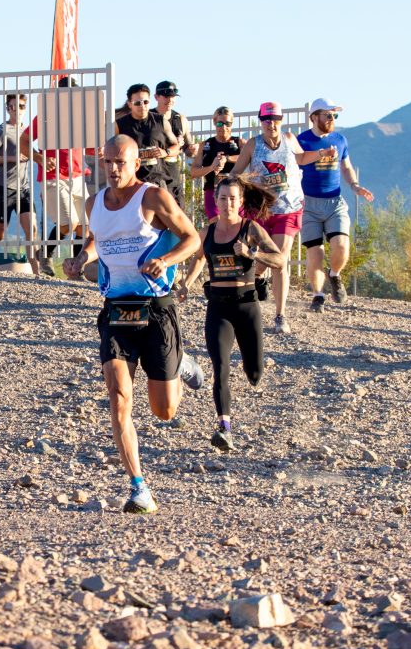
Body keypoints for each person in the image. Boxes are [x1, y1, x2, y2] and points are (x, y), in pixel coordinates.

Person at [63, 135, 204, 515]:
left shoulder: (153, 197)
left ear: (136, 163)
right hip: (116, 311)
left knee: (164, 411)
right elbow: (98, 239)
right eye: (107, 161)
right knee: (118, 397)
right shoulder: (94, 203)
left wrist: (167, 259)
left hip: (156, 309)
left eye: (120, 162)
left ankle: (181, 363)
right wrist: (80, 259)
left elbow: (192, 239)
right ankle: (138, 487)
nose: (113, 169)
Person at [178, 176, 285, 451]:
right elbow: (199, 256)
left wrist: (251, 253)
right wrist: (187, 284)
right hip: (219, 307)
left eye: (233, 198)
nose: (228, 203)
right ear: (217, 201)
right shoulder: (208, 232)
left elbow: (280, 259)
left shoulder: (251, 229)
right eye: (223, 198)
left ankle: (253, 372)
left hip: (247, 305)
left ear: (241, 202)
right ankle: (224, 427)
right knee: (220, 367)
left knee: (254, 371)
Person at [230, 101, 330, 334]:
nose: (270, 124)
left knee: (279, 258)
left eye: (275, 119)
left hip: (289, 208)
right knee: (260, 261)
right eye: (266, 120)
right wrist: (233, 183)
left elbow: (301, 158)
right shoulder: (253, 145)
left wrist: (321, 153)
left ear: (280, 120)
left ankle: (280, 315)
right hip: (261, 209)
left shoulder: (289, 139)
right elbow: (237, 172)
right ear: (260, 121)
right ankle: (257, 283)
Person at [296, 98, 375, 311]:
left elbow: (346, 167)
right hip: (309, 204)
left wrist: (356, 186)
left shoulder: (340, 140)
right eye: (328, 115)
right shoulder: (301, 140)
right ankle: (318, 295)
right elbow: (298, 161)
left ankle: (335, 275)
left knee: (341, 245)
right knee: (315, 252)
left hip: (334, 202)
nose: (332, 119)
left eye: (335, 115)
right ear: (314, 117)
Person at [20, 76, 90, 276]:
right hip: (54, 176)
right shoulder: (46, 117)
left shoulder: (81, 119)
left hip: (77, 175)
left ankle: (77, 270)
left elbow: (90, 147)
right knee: (69, 225)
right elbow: (24, 140)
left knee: (83, 228)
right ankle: (45, 253)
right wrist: (38, 157)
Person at [0, 94, 38, 272]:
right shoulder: (1, 130)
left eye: (21, 106)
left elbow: (34, 153)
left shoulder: (28, 131)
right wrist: (11, 158)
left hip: (25, 187)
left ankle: (37, 270)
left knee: (32, 229)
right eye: (13, 106)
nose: (17, 110)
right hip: (5, 187)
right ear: (7, 108)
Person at [115, 83, 179, 189]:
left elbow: (176, 146)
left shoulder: (160, 120)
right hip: (131, 183)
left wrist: (165, 152)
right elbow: (110, 151)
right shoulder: (119, 125)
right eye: (137, 103)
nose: (142, 106)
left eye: (145, 102)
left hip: (157, 182)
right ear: (130, 104)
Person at [190, 107, 242, 221]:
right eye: (220, 123)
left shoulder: (240, 143)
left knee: (237, 227)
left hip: (235, 192)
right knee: (217, 227)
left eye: (227, 123)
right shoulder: (205, 145)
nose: (223, 127)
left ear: (232, 124)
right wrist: (211, 167)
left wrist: (227, 158)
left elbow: (249, 157)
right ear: (214, 122)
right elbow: (193, 172)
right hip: (213, 192)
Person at [153, 82, 197, 208]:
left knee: (178, 209)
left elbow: (188, 150)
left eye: (173, 97)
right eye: (166, 96)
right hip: (154, 172)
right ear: (156, 97)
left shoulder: (180, 119)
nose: (170, 100)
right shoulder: (149, 118)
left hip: (173, 173)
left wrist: (193, 149)